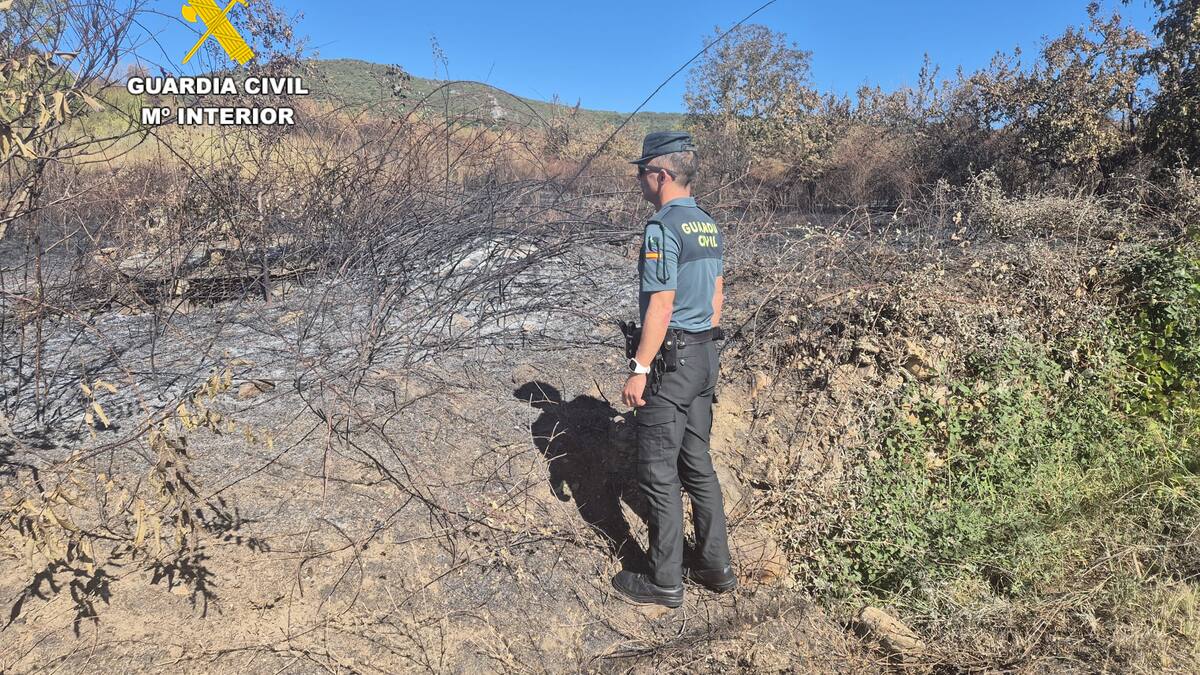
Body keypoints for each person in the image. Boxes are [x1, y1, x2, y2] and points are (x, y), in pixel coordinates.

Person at [612, 131, 737, 608]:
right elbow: (717, 295)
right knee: (697, 465)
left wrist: (641, 366)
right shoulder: (707, 224)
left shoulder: (662, 227)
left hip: (673, 360)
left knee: (658, 472)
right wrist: (699, 342)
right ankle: (715, 566)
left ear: (661, 175)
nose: (640, 181)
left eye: (642, 173)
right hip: (705, 356)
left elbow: (661, 303)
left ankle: (664, 580)